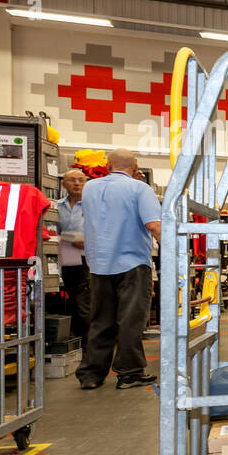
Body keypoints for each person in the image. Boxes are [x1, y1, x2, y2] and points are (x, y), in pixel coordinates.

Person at [75, 149, 162, 390]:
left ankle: (91, 374)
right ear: (135, 167)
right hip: (132, 264)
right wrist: (175, 253)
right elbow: (154, 225)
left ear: (109, 164)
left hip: (98, 264)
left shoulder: (90, 188)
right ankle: (129, 373)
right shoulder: (140, 189)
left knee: (101, 320)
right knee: (130, 320)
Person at [55, 170, 91, 343]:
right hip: (67, 259)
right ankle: (79, 338)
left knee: (83, 301)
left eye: (81, 180)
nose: (77, 183)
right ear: (63, 184)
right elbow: (55, 233)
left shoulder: (92, 205)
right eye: (72, 180)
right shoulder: (57, 206)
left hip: (88, 259)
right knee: (71, 300)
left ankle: (89, 342)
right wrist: (68, 238)